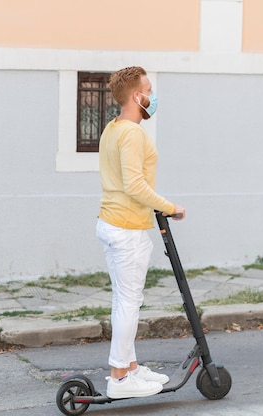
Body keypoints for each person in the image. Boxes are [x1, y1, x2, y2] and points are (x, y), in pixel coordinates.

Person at [96, 66, 186, 399]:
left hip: (112, 222)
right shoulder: (132, 133)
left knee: (124, 300)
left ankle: (130, 368)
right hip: (126, 227)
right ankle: (119, 378)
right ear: (138, 96)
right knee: (129, 303)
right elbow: (134, 184)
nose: (153, 94)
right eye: (149, 88)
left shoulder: (112, 128)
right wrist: (169, 205)